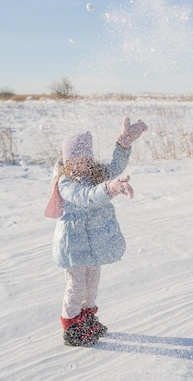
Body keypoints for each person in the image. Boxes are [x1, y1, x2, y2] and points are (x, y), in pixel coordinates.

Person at [46, 117, 148, 347]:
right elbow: (85, 197)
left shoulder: (95, 174)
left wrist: (122, 146)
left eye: (84, 160)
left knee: (92, 284)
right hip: (73, 245)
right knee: (75, 286)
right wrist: (110, 188)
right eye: (74, 161)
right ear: (66, 162)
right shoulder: (65, 182)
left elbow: (114, 168)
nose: (79, 166)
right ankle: (71, 326)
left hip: (93, 243)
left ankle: (87, 319)